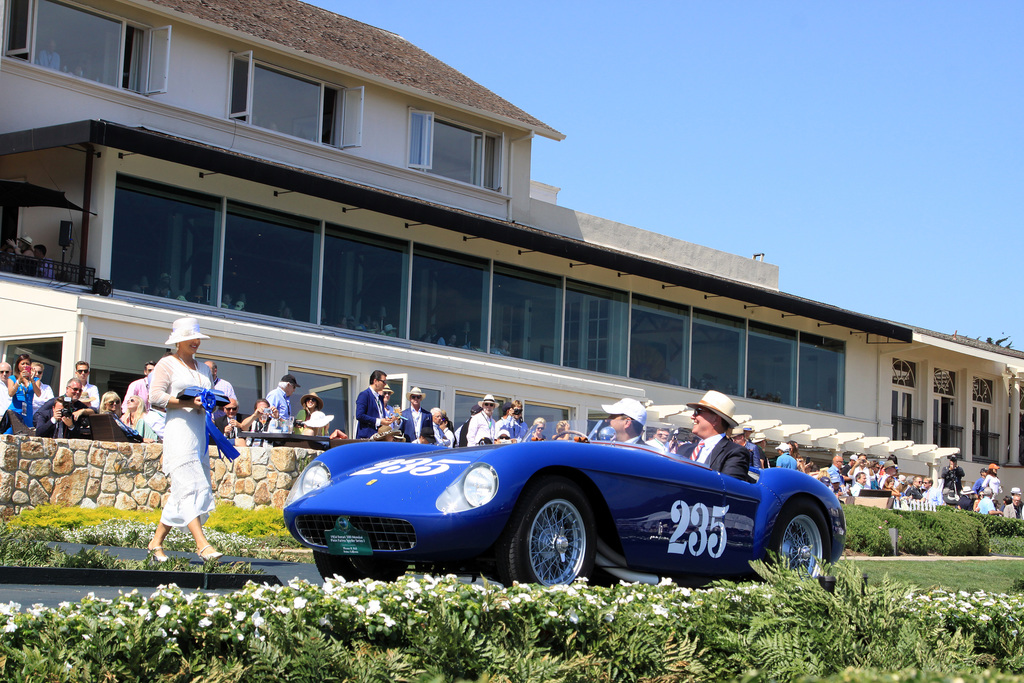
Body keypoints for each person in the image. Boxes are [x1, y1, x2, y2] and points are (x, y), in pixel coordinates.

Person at [146, 317, 223, 563]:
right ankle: (202, 545)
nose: (196, 342)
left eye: (198, 338)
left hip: (198, 432)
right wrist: (186, 402)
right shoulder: (166, 363)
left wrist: (211, 402)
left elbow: (207, 398)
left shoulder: (202, 369)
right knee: (189, 486)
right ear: (180, 341)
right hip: (178, 431)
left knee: (182, 490)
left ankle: (155, 543)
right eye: (192, 338)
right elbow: (155, 397)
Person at [675, 391, 751, 482]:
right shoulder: (684, 449)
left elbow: (729, 487)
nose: (692, 416)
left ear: (715, 419)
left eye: (698, 412)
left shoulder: (735, 452)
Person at [355, 370, 396, 438]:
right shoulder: (364, 395)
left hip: (378, 437)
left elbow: (379, 416)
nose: (385, 384)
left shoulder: (380, 398)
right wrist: (379, 421)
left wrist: (388, 420)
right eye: (383, 381)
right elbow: (359, 415)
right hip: (366, 438)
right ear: (375, 381)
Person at [6, 353, 41, 425]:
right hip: (15, 410)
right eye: (22, 363)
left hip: (27, 411)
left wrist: (32, 380)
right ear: (18, 365)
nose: (25, 366)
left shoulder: (35, 379)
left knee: (27, 432)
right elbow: (11, 393)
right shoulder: (12, 378)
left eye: (27, 364)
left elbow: (38, 394)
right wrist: (19, 380)